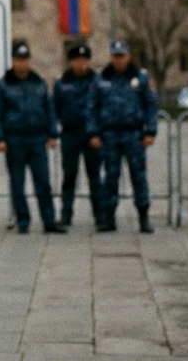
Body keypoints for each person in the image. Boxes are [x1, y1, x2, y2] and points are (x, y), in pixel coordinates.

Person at [0, 43, 67, 234]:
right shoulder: (3, 85)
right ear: (13, 61)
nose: (21, 64)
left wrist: (52, 134)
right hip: (14, 139)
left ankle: (48, 220)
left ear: (29, 61)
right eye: (18, 60)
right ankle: (23, 220)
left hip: (36, 139)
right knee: (17, 183)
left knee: (43, 182)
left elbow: (49, 110)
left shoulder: (39, 83)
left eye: (24, 60)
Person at [87, 41, 159, 234]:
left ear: (128, 56)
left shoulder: (141, 78)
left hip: (134, 134)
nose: (119, 60)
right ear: (111, 57)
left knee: (139, 176)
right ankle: (109, 219)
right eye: (115, 56)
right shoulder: (101, 78)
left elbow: (151, 105)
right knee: (110, 177)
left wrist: (150, 131)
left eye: (122, 56)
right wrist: (93, 132)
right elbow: (92, 107)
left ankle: (143, 217)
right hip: (109, 136)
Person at [54, 43, 101, 227]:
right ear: (71, 62)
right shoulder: (62, 82)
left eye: (84, 61)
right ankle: (66, 214)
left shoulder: (97, 81)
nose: (81, 64)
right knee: (69, 176)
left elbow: (101, 108)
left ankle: (100, 214)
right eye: (77, 61)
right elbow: (55, 108)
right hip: (70, 135)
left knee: (95, 176)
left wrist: (98, 131)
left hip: (91, 136)